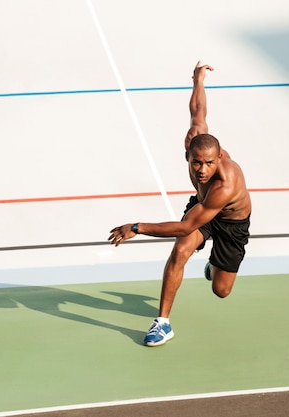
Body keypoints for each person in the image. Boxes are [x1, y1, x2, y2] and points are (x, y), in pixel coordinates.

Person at [108, 61, 251, 346]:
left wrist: (137, 226)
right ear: (189, 152)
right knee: (180, 251)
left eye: (209, 163)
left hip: (231, 223)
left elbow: (186, 225)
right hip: (202, 208)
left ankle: (214, 264)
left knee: (221, 290)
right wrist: (198, 80)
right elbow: (198, 111)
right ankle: (162, 323)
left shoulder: (225, 184)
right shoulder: (195, 139)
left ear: (220, 156)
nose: (202, 170)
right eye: (196, 162)